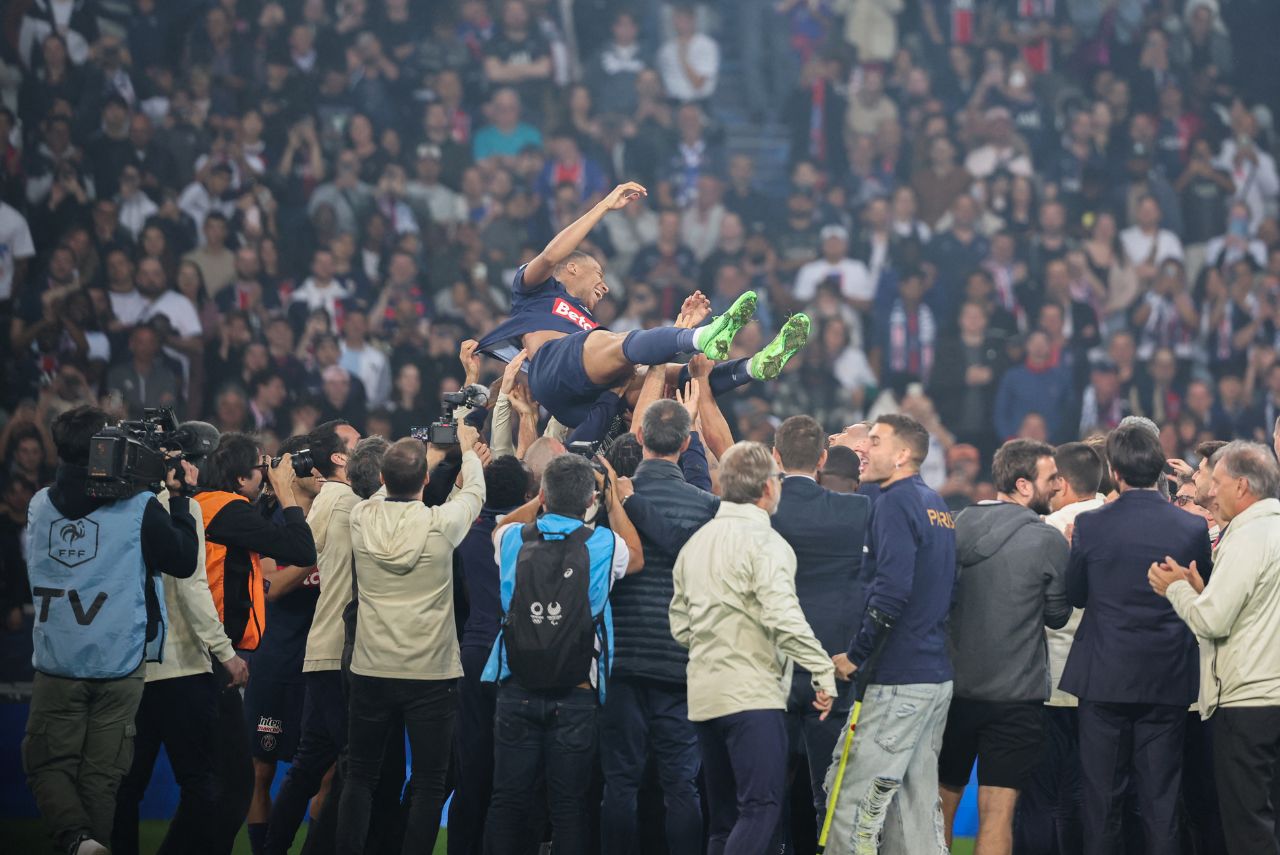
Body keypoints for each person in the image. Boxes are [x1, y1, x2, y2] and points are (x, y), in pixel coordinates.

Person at [475, 181, 810, 427]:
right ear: (573, 268)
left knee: (685, 375)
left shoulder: (587, 322)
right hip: (554, 372)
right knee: (615, 341)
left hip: (588, 401)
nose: (605, 286)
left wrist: (674, 333)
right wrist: (605, 205)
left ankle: (754, 366)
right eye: (599, 274)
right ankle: (698, 337)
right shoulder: (536, 290)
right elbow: (551, 255)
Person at [23, 405, 200, 855]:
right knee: (103, 779)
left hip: (58, 658)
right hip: (119, 659)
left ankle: (76, 838)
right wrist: (178, 499)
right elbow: (181, 559)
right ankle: (87, 842)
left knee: (47, 763)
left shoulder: (39, 504)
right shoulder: (140, 506)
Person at [670, 440, 836, 855]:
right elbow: (783, 617)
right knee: (761, 808)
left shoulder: (696, 544)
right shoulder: (768, 544)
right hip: (752, 695)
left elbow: (679, 624)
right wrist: (822, 668)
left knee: (724, 821)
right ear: (767, 488)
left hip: (705, 696)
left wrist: (714, 645)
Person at [1061, 422, 1213, 854]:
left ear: (1114, 470)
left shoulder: (1090, 525)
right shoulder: (1190, 528)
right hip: (1167, 678)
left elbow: (1075, 596)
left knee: (1101, 800)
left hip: (1103, 678)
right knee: (1161, 800)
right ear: (1159, 468)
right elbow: (1204, 592)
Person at [482, 453, 643, 854]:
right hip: (577, 688)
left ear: (542, 495)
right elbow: (636, 555)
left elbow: (501, 525)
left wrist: (539, 499)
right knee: (569, 805)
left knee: (507, 800)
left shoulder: (514, 539)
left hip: (515, 683)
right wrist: (612, 500)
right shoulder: (604, 543)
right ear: (590, 499)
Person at [337, 430, 486, 854]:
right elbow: (475, 490)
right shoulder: (442, 524)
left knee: (360, 777)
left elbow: (394, 483)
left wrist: (419, 458)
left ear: (382, 478)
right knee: (428, 783)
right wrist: (467, 446)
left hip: (369, 667)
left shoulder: (360, 516)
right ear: (424, 481)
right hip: (430, 673)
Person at [113, 421, 251, 855]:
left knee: (125, 788)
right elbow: (193, 589)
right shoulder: (180, 509)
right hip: (181, 667)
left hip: (130, 666)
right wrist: (226, 653)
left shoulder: (126, 506)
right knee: (202, 785)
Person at [825, 414, 957, 855]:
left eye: (877, 442)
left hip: (898, 677)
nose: (866, 450)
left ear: (903, 455)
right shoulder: (935, 503)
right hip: (932, 675)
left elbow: (891, 591)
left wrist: (856, 655)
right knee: (913, 809)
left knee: (850, 803)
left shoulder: (894, 502)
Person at [601, 398, 720, 855]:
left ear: (640, 439)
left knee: (620, 784)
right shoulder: (708, 507)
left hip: (621, 661)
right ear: (687, 443)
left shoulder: (612, 497)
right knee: (681, 786)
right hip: (681, 666)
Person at [941, 439, 1071, 853]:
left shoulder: (954, 526)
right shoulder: (1047, 539)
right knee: (997, 812)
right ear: (1023, 485)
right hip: (1016, 699)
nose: (1057, 485)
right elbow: (1058, 616)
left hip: (954, 691)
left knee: (939, 806)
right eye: (1051, 478)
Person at [1150, 442, 1280, 855]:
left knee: (1247, 828)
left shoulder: (1248, 535)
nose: (1210, 492)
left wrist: (1176, 592)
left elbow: (1212, 622)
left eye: (1218, 483)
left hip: (1248, 704)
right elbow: (1253, 609)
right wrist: (1204, 593)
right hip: (1271, 694)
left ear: (1242, 486)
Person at [194, 434, 319, 855]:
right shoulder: (237, 512)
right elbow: (297, 554)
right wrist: (284, 492)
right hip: (237, 658)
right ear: (241, 477)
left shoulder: (208, 506)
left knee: (217, 780)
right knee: (233, 779)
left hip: (223, 656)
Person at [768, 415, 870, 845]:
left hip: (770, 666)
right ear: (823, 459)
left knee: (766, 793)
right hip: (830, 666)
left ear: (776, 455)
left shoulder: (762, 509)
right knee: (828, 792)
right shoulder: (858, 510)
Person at [264, 419, 361, 855]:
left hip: (327, 651)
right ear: (339, 457)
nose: (369, 447)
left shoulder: (344, 498)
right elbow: (291, 563)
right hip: (332, 654)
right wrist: (286, 497)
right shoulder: (335, 500)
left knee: (310, 768)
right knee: (354, 765)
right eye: (358, 442)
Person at [1015, 441, 1107, 854]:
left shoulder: (1049, 530)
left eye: (1053, 478)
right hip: (1103, 685)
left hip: (1050, 683)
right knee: (1088, 795)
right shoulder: (1115, 521)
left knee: (1038, 797)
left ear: (1063, 482)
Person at [241, 434, 322, 855]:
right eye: (310, 466)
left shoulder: (335, 514)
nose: (320, 472)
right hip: (273, 659)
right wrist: (314, 560)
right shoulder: (267, 521)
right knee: (260, 770)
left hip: (320, 663)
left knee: (325, 772)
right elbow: (268, 585)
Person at [448, 455, 532, 855]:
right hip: (519, 658)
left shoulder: (464, 533)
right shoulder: (529, 535)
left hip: (475, 654)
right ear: (528, 494)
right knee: (514, 773)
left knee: (471, 770)